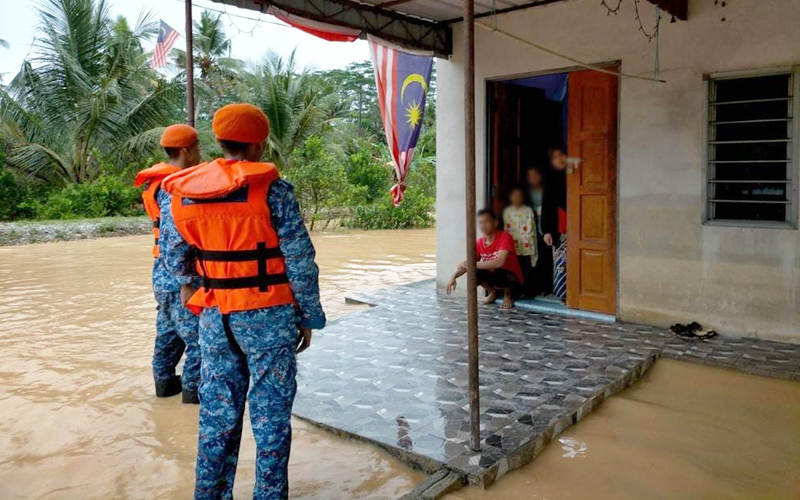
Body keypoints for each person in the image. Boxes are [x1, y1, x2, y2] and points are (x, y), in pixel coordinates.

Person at [160, 103, 325, 500]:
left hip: (216, 319)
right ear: (260, 145)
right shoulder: (275, 192)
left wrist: (190, 282)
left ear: (217, 142)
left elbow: (174, 256)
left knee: (217, 418)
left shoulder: (182, 192)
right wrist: (308, 317)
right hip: (270, 318)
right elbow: (300, 261)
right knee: (270, 419)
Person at [133, 124, 202, 403]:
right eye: (197, 147)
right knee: (198, 339)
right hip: (178, 276)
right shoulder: (177, 187)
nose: (200, 152)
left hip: (160, 274)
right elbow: (176, 241)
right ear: (186, 150)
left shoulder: (158, 183)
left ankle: (164, 386)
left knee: (168, 331)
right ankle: (192, 395)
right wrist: (186, 280)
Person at [446, 209, 524, 310]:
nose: (483, 225)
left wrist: (470, 264)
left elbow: (499, 262)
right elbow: (467, 264)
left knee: (498, 270)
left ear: (495, 223)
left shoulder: (504, 237)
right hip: (495, 276)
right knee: (474, 273)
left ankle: (508, 295)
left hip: (511, 278)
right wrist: (453, 276)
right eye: (481, 223)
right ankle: (493, 292)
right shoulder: (479, 243)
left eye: (486, 222)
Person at [542, 146, 568, 300]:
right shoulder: (551, 178)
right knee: (561, 262)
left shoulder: (574, 176)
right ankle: (564, 294)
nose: (560, 160)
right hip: (559, 227)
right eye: (556, 157)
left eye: (562, 156)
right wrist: (546, 230)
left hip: (578, 226)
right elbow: (547, 206)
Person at [503, 186, 537, 294]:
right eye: (514, 196)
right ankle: (515, 291)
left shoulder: (528, 210)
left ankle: (528, 290)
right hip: (514, 244)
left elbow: (533, 229)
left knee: (527, 267)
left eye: (519, 196)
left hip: (527, 243)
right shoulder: (507, 211)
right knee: (514, 268)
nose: (516, 198)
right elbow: (506, 229)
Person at [526, 166, 553, 296]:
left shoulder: (548, 190)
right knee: (532, 257)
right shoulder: (527, 192)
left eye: (535, 175)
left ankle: (547, 286)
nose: (533, 179)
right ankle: (534, 286)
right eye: (530, 176)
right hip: (531, 226)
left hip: (546, 225)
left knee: (546, 256)